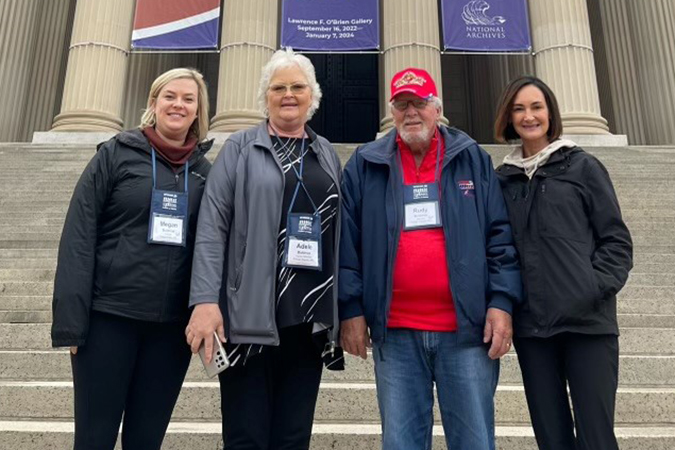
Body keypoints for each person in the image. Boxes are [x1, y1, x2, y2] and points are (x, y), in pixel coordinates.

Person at [339, 67, 522, 450]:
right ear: (392, 111)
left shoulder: (471, 158)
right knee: (401, 443)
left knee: (474, 441)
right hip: (396, 332)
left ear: (437, 108)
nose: (411, 113)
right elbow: (347, 242)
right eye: (402, 105)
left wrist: (502, 303)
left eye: (419, 103)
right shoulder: (365, 164)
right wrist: (351, 308)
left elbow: (499, 236)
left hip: (466, 331)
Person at [185, 48, 343, 450]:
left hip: (308, 319)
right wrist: (205, 300)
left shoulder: (325, 153)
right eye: (278, 87)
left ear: (313, 95)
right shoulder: (240, 148)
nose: (288, 94)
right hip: (247, 314)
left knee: (293, 436)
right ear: (266, 96)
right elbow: (211, 227)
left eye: (297, 87)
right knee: (246, 436)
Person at [51, 68, 213, 450]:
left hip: (170, 331)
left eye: (188, 99)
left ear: (197, 112)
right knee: (94, 439)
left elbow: (212, 248)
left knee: (146, 441)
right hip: (109, 320)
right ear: (153, 104)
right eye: (169, 96)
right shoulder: (115, 154)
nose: (178, 104)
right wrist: (71, 322)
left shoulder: (206, 172)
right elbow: (78, 235)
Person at [493, 75, 633, 450]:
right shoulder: (502, 180)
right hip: (533, 330)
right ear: (508, 116)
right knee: (551, 438)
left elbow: (616, 240)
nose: (528, 116)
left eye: (536, 107)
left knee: (596, 437)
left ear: (550, 113)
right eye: (519, 108)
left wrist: (592, 287)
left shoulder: (582, 167)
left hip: (588, 325)